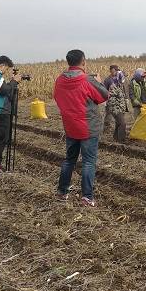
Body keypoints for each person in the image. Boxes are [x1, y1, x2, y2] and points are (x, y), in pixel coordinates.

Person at [53, 49, 109, 207]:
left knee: (69, 160)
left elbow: (57, 98)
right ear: (83, 62)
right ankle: (87, 197)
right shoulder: (87, 80)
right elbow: (104, 95)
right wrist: (98, 81)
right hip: (88, 127)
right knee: (89, 162)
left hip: (70, 127)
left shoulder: (60, 80)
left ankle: (62, 191)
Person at [102, 65, 129, 142]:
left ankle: (116, 138)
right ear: (110, 70)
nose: (116, 71)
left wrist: (126, 98)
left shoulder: (119, 79)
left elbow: (124, 89)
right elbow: (104, 91)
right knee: (122, 123)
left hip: (121, 104)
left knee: (119, 122)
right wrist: (106, 102)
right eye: (115, 70)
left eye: (117, 70)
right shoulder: (108, 80)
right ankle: (121, 140)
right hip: (113, 104)